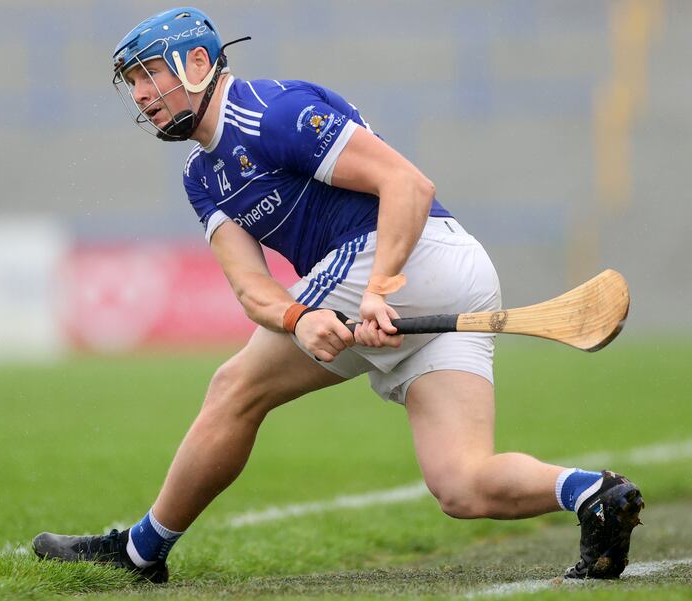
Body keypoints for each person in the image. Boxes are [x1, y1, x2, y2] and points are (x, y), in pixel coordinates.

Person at [32, 7, 644, 583]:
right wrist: (299, 318)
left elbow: (407, 184)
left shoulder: (272, 113)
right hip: (437, 276)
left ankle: (141, 552)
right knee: (461, 485)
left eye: (149, 75)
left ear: (197, 64)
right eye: (132, 83)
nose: (140, 95)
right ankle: (593, 493)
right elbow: (252, 289)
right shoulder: (200, 176)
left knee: (235, 388)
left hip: (405, 252)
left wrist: (380, 288)